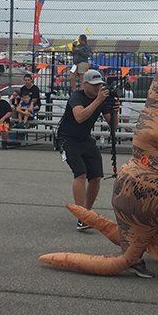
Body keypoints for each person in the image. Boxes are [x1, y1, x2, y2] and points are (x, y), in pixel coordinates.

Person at [57, 68, 115, 231]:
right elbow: (80, 117)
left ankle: (87, 212)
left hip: (85, 139)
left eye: (100, 85)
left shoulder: (101, 99)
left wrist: (114, 109)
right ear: (85, 84)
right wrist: (98, 101)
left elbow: (113, 126)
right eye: (94, 85)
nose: (98, 88)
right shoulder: (77, 96)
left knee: (96, 176)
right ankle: (81, 215)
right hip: (67, 139)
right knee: (80, 173)